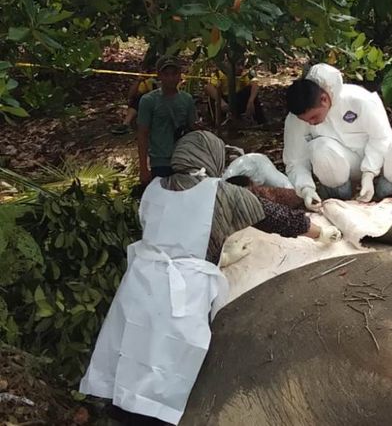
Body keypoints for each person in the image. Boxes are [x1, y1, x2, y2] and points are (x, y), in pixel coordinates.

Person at [79, 131, 341, 425]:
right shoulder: (219, 192)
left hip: (142, 280)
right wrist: (319, 231)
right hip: (183, 286)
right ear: (212, 159)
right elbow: (274, 217)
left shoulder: (154, 188)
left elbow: (161, 230)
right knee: (169, 360)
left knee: (134, 345)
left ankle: (120, 410)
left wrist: (220, 254)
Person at [283, 63, 392, 211]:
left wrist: (369, 174)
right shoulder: (295, 119)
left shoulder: (359, 99)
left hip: (379, 159)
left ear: (324, 99)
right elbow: (295, 160)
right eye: (306, 121)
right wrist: (306, 189)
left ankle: (386, 198)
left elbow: (381, 137)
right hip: (341, 165)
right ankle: (340, 202)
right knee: (320, 148)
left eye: (314, 117)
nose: (311, 123)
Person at [137, 56, 197, 185]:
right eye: (166, 74)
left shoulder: (187, 100)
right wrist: (143, 167)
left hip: (183, 159)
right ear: (159, 75)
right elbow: (142, 134)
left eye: (174, 74)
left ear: (180, 74)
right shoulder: (148, 101)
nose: (171, 78)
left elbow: (193, 128)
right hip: (160, 161)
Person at [111, 70, 158, 135]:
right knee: (139, 99)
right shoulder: (150, 82)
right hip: (152, 105)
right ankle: (125, 124)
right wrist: (138, 81)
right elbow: (131, 95)